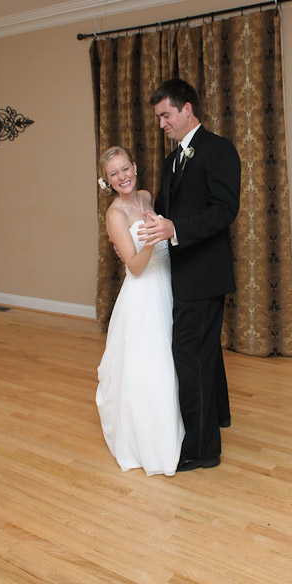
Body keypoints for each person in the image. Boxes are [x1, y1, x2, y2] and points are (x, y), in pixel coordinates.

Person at [138, 79, 241, 471]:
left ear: (187, 109)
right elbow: (165, 212)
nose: (161, 124)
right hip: (180, 273)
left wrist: (175, 229)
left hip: (205, 273)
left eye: (165, 115)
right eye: (158, 117)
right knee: (204, 351)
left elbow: (225, 209)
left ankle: (201, 449)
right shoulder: (171, 161)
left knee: (190, 354)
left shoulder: (218, 149)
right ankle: (217, 417)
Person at [95, 146, 184, 476]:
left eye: (125, 169)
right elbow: (133, 266)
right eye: (114, 174)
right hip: (143, 294)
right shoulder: (115, 215)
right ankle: (151, 443)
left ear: (135, 167)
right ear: (107, 182)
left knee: (172, 360)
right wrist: (150, 241)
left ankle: (175, 431)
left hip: (166, 284)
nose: (122, 177)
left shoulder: (146, 197)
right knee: (151, 366)